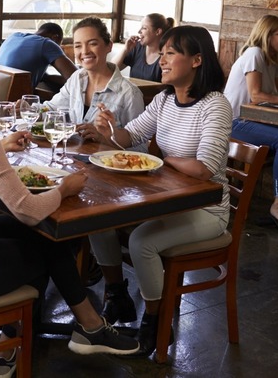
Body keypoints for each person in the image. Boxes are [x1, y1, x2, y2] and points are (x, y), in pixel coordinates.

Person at [0, 42, 140, 377]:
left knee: (39, 237)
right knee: (45, 245)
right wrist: (64, 188)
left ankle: (37, 340)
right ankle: (65, 333)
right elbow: (28, 209)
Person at [90, 25, 233, 357]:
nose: (162, 61)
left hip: (206, 211)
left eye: (171, 53)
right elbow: (130, 136)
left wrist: (162, 159)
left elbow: (204, 168)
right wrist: (109, 128)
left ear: (197, 60)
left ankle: (155, 324)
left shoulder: (216, 105)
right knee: (97, 222)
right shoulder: (166, 100)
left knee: (142, 241)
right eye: (163, 52)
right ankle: (118, 297)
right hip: (167, 201)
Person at [223, 14, 278, 235]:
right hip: (234, 122)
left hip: (254, 121)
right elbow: (255, 95)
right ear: (267, 34)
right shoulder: (254, 53)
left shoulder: (273, 60)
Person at [46, 17, 144, 144]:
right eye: (78, 46)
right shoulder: (77, 78)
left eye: (92, 43)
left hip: (102, 163)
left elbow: (141, 149)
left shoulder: (130, 94)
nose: (85, 51)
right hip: (72, 157)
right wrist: (27, 109)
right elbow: (52, 109)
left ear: (109, 46)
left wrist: (105, 139)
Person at [0, 22, 78, 93]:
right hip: (16, 100)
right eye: (58, 44)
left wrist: (46, 77)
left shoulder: (13, 36)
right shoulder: (47, 43)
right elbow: (77, 78)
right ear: (55, 37)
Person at [113, 13, 174, 82]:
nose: (139, 31)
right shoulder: (137, 48)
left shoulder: (168, 55)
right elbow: (111, 70)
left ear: (158, 31)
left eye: (144, 28)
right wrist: (125, 50)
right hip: (133, 92)